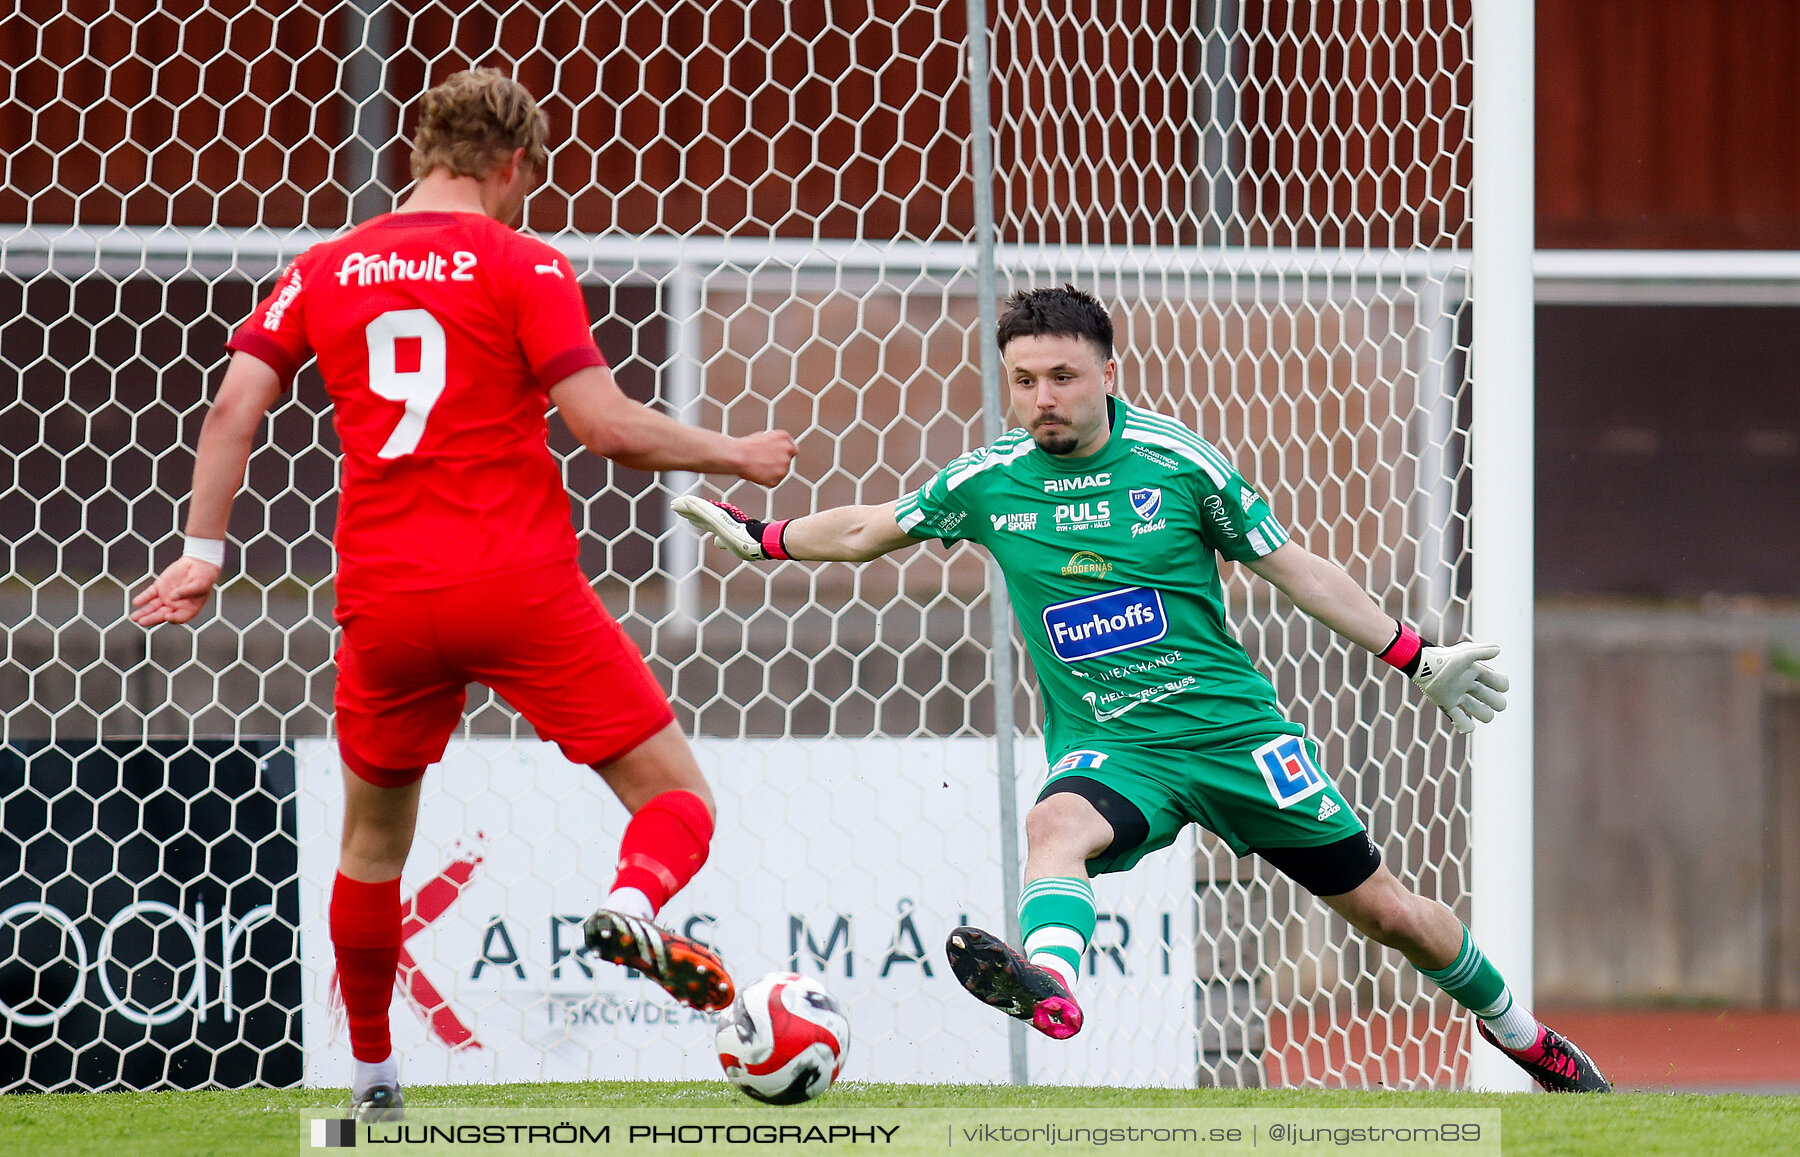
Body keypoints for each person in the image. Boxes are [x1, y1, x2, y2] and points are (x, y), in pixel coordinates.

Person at [674, 285, 1609, 1093]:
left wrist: (1413, 653)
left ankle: (1525, 1035)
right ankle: (1049, 980)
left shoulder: (1176, 462)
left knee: (1391, 915)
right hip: (1116, 748)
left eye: (1063, 377)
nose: (1043, 397)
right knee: (1054, 828)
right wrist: (761, 537)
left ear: (1108, 374)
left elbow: (1292, 566)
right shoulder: (990, 481)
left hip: (1234, 736)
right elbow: (869, 528)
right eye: (1026, 379)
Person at [130, 69, 797, 1119]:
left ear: (420, 154)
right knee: (680, 799)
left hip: (387, 599)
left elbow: (232, 404)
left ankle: (374, 1081)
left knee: (372, 848)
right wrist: (737, 454)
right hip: (519, 586)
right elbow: (606, 427)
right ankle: (629, 905)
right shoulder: (523, 258)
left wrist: (206, 550)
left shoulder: (327, 265)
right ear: (514, 165)